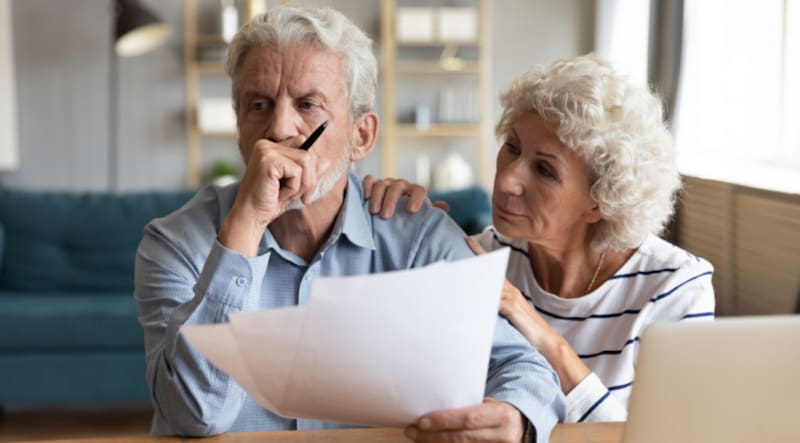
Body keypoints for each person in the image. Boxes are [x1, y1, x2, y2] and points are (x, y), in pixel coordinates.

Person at [134, 6, 565, 443]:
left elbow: (522, 367)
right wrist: (246, 225)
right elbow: (194, 415)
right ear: (240, 122)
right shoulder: (175, 244)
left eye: (307, 105)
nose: (279, 128)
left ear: (362, 136)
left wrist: (515, 415)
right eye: (259, 105)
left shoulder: (419, 239)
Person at [364, 54, 716, 423]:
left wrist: (541, 334)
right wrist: (397, 228)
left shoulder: (676, 288)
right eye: (513, 148)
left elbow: (670, 436)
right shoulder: (485, 255)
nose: (506, 180)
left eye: (545, 171)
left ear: (600, 201)